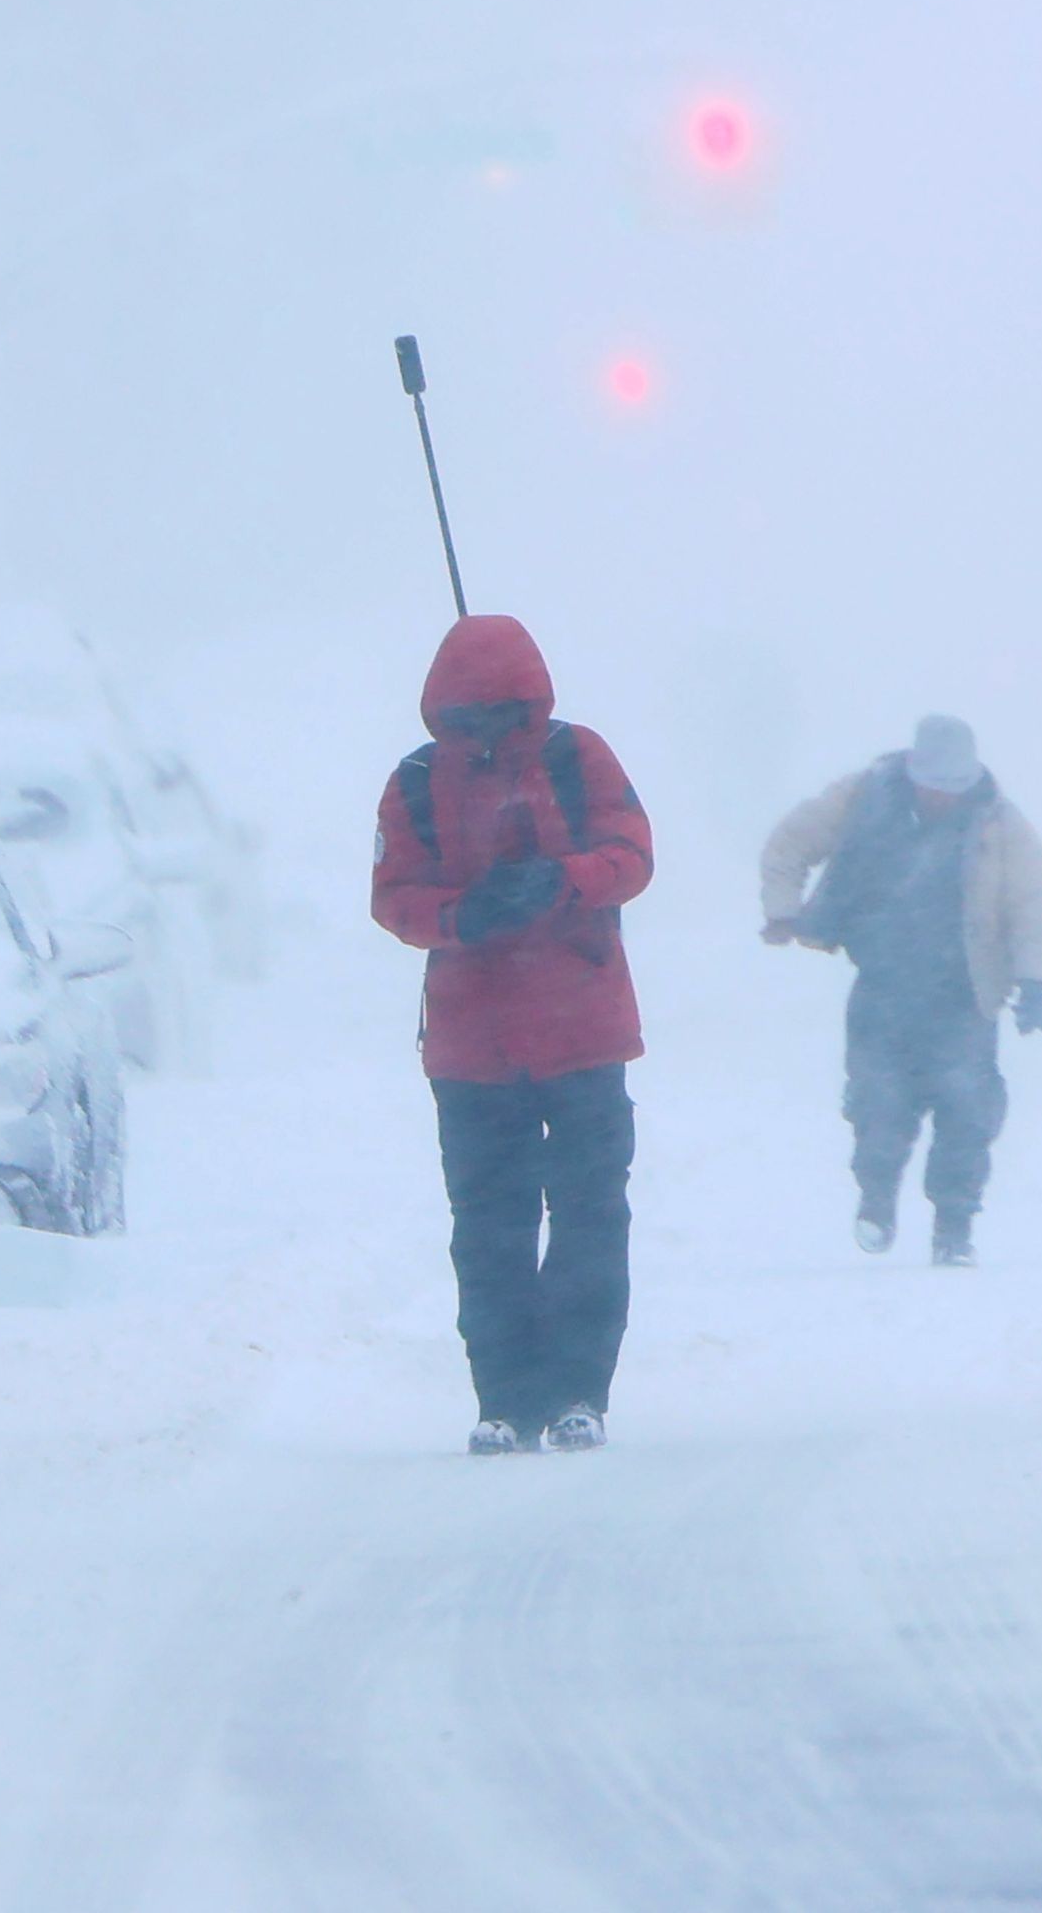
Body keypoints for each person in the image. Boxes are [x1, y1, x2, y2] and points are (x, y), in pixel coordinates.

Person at [372, 614, 655, 1454]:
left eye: (503, 714)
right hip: (474, 1050)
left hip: (583, 1039)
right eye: (471, 717)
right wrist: (464, 915)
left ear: (533, 704)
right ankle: (504, 1395)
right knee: (489, 1226)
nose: (488, 734)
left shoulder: (579, 757)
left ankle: (577, 1391)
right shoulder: (417, 781)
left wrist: (559, 882)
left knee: (588, 1216)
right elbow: (394, 896)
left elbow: (631, 855)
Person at [759, 714, 1042, 1268]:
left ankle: (954, 1227)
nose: (944, 798)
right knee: (878, 1104)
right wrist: (782, 909)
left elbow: (1032, 904)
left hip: (965, 994)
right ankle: (876, 1201)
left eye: (954, 788)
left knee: (967, 1110)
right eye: (935, 785)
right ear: (913, 770)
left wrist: (1034, 982)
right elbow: (790, 843)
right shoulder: (861, 798)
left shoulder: (1000, 823)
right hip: (883, 986)